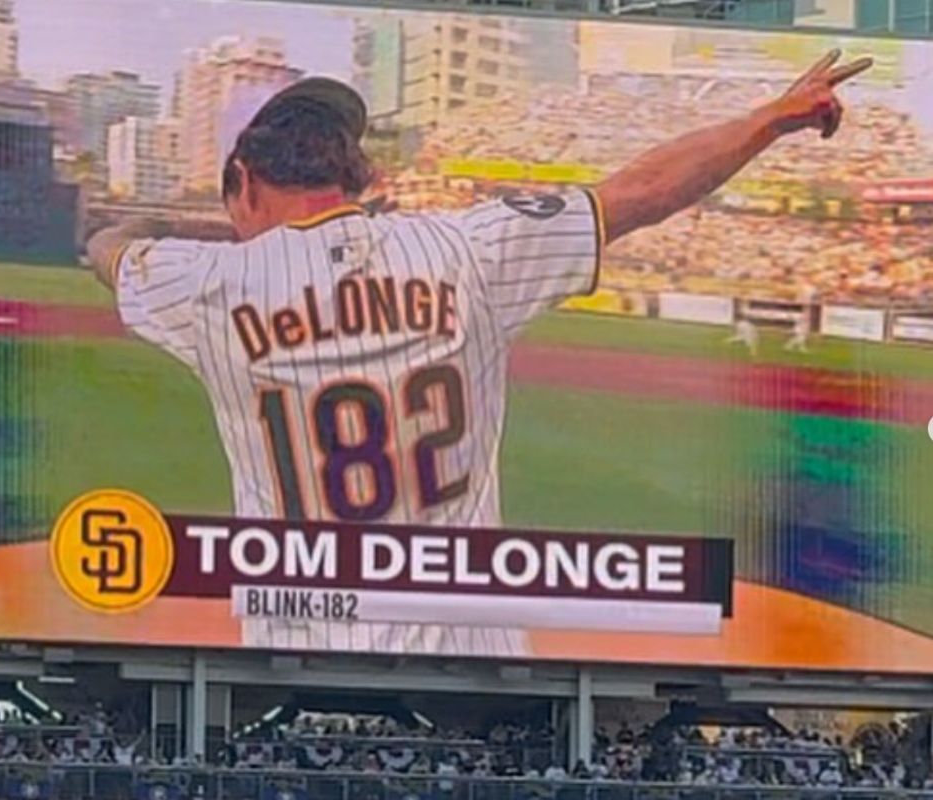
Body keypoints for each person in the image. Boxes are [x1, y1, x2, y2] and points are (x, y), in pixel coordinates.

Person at [88, 52, 872, 656]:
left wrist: (211, 238)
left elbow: (109, 247)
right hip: (468, 666)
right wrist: (769, 119)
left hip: (295, 662)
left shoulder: (207, 282)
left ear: (242, 184)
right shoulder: (463, 248)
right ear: (364, 174)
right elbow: (641, 191)